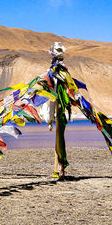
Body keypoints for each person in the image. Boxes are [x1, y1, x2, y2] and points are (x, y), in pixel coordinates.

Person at [41, 42, 73, 179]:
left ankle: (60, 169)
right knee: (59, 134)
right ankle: (59, 169)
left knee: (60, 134)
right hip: (56, 101)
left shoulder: (62, 71)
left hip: (60, 105)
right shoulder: (54, 71)